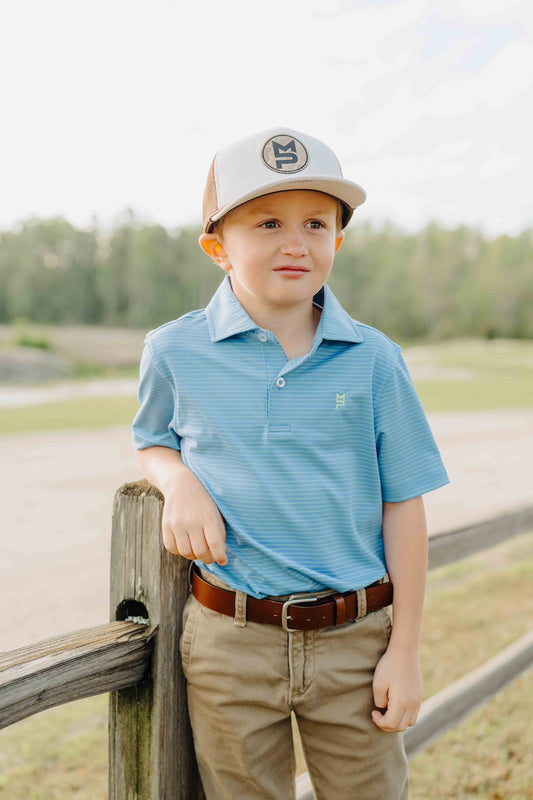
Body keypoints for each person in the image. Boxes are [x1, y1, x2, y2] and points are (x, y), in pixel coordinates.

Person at [132, 127, 449, 800]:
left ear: (338, 238)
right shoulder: (172, 351)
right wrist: (176, 479)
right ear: (217, 247)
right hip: (229, 642)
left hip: (357, 643)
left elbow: (404, 503)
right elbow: (152, 438)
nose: (295, 242)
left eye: (316, 222)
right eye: (268, 222)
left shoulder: (374, 359)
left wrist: (405, 650)